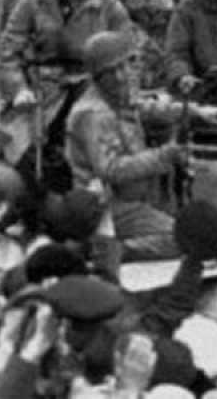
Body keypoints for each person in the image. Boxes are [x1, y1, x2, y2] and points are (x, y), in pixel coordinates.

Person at [0, 0, 129, 195]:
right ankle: (26, 202)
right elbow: (8, 52)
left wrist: (121, 90)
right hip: (44, 87)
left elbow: (128, 52)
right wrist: (18, 88)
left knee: (97, 137)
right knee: (20, 143)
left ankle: (91, 200)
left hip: (91, 85)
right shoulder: (33, 3)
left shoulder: (108, 7)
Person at [66, 31, 185, 266]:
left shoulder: (114, 99)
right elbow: (111, 170)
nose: (121, 77)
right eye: (110, 72)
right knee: (181, 238)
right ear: (97, 78)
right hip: (107, 207)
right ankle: (110, 251)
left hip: (132, 200)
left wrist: (186, 112)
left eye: (125, 66)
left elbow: (140, 108)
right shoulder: (93, 113)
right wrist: (163, 156)